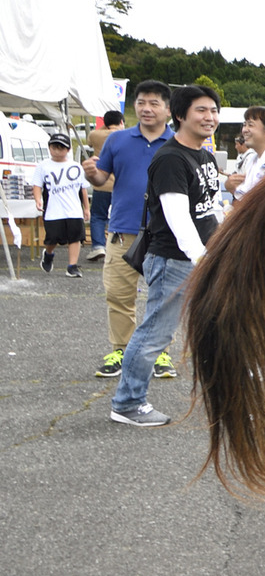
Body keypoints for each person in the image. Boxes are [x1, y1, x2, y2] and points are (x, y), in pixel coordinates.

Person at [110, 85, 223, 427]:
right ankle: (127, 403)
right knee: (155, 333)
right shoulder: (172, 158)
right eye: (201, 110)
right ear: (180, 115)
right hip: (176, 260)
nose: (210, 117)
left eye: (214, 111)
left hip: (201, 257)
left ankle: (232, 392)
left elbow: (208, 209)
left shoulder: (203, 155)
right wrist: (203, 261)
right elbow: (178, 218)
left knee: (220, 325)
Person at [85, 81, 176, 380]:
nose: (146, 108)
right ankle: (122, 349)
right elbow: (102, 179)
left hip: (167, 234)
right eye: (140, 102)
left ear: (168, 109)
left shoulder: (179, 142)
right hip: (123, 230)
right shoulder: (117, 140)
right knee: (119, 294)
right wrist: (92, 173)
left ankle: (158, 351)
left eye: (153, 103)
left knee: (162, 297)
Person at [32, 132, 90, 277]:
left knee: (75, 237)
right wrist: (38, 199)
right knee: (53, 238)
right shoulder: (43, 166)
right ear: (49, 148)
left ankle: (72, 266)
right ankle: (49, 253)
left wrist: (86, 208)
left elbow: (82, 189)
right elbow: (37, 185)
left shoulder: (76, 167)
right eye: (54, 147)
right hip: (53, 210)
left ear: (68, 150)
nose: (57, 151)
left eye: (61, 148)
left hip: (74, 210)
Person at [223, 107, 265, 204]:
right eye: (244, 125)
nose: (244, 130)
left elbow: (262, 206)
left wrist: (232, 188)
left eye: (250, 125)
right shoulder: (254, 159)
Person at [84, 109, 123, 261]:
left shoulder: (95, 135)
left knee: (98, 216)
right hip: (120, 185)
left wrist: (106, 126)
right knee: (119, 216)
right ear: (121, 122)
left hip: (101, 183)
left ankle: (98, 247)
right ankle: (119, 249)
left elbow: (89, 141)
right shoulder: (124, 136)